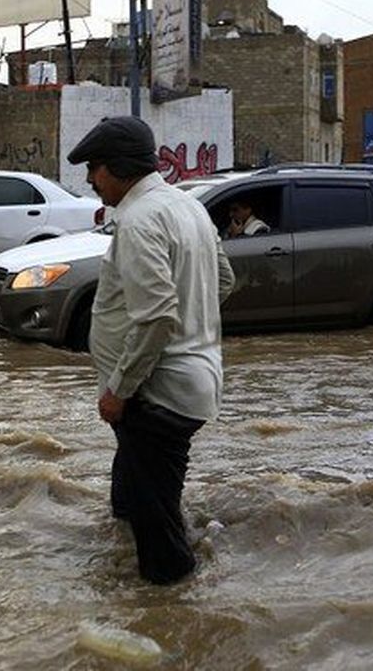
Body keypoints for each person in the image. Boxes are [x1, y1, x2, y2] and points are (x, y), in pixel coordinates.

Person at [67, 116, 235, 585]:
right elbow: (223, 280)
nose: (89, 180)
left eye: (94, 168)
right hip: (190, 380)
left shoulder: (140, 219)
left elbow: (158, 317)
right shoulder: (188, 207)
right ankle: (127, 561)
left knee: (157, 532)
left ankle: (172, 616)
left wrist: (119, 390)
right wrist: (191, 323)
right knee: (130, 501)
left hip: (155, 393)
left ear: (118, 168)